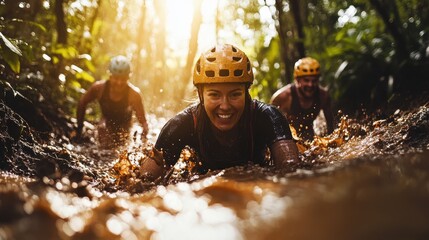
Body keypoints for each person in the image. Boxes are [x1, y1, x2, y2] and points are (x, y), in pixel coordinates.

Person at [140, 44, 299, 180]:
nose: (225, 106)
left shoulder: (269, 117)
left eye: (235, 94)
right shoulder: (181, 125)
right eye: (214, 95)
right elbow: (143, 183)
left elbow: (294, 175)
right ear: (201, 95)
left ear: (246, 93)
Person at [75, 55, 149, 148]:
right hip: (106, 122)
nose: (119, 82)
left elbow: (143, 122)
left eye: (123, 79)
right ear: (110, 76)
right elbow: (82, 102)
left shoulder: (133, 95)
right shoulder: (99, 88)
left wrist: (144, 141)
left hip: (124, 126)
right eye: (116, 78)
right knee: (103, 132)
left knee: (121, 146)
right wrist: (79, 128)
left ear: (128, 77)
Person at [270, 57, 334, 142]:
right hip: (288, 138)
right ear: (297, 80)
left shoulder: (323, 96)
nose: (310, 85)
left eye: (314, 81)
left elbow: (331, 127)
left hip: (309, 135)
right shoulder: (282, 98)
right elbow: (271, 128)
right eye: (306, 80)